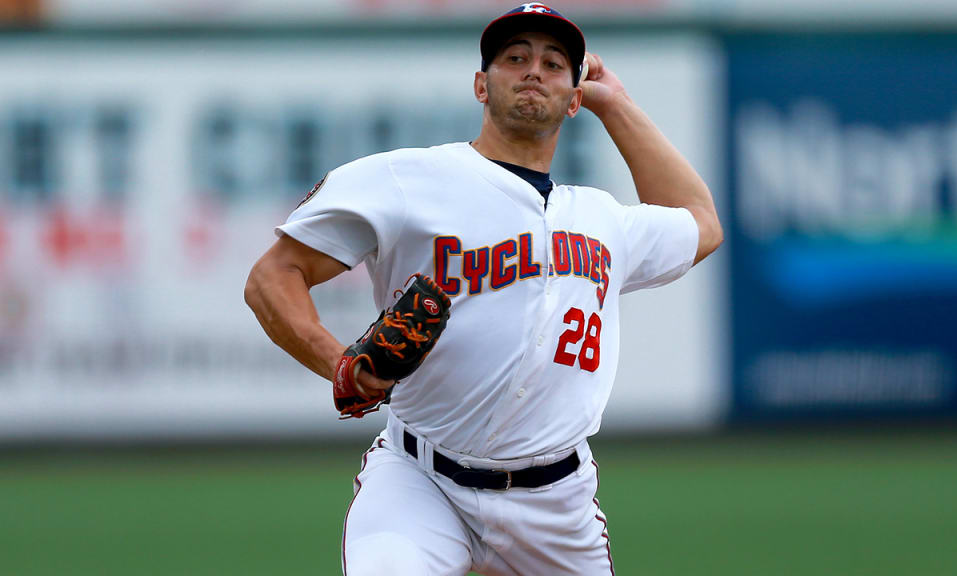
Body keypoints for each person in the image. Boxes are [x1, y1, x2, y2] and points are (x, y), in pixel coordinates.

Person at [244, 3, 722, 575]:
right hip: (419, 481)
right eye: (514, 58)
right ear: (480, 84)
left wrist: (615, 104)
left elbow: (701, 222)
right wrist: (338, 363)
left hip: (557, 504)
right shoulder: (407, 179)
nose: (532, 71)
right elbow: (273, 276)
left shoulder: (603, 219)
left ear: (575, 97)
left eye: (553, 64)